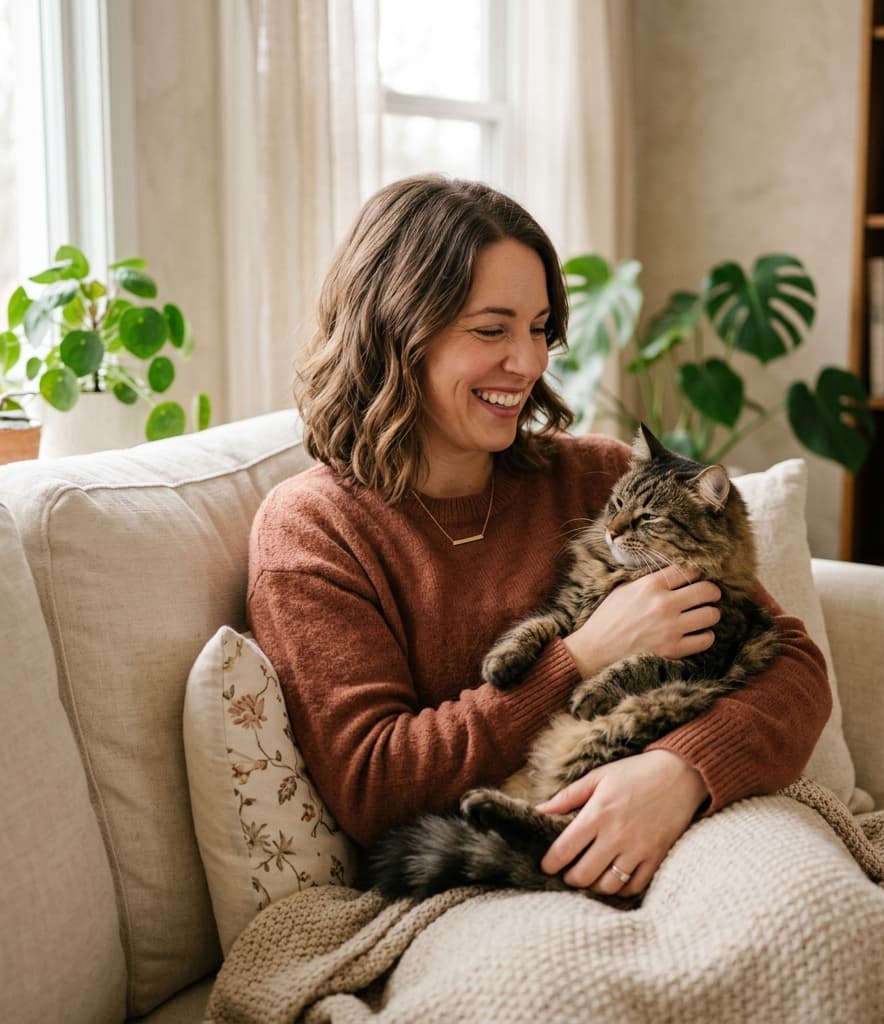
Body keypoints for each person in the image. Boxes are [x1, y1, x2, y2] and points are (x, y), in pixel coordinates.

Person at [247, 174, 832, 901]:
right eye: (492, 329)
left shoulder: (599, 479)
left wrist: (681, 772)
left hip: (696, 829)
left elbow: (796, 669)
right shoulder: (316, 530)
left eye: (539, 328)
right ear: (396, 330)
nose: (528, 363)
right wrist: (582, 656)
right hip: (496, 874)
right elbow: (377, 783)